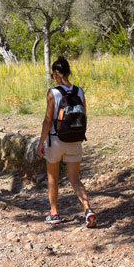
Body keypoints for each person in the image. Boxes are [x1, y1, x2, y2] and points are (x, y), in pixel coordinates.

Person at [37, 56, 96, 228]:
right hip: (75, 140)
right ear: (68, 72)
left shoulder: (53, 93)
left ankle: (54, 213)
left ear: (56, 74)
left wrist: (41, 143)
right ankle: (88, 209)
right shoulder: (79, 91)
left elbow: (48, 120)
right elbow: (84, 115)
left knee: (52, 177)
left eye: (53, 74)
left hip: (55, 141)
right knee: (74, 178)